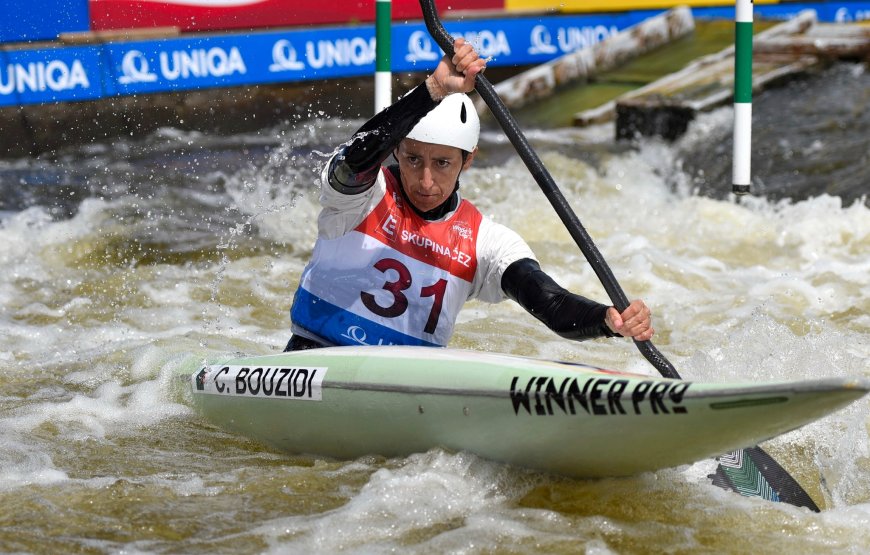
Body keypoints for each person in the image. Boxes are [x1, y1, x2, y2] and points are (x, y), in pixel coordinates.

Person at [285, 38, 654, 351]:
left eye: (443, 163)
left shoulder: (485, 242)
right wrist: (433, 90)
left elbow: (550, 302)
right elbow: (353, 160)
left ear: (468, 161)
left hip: (400, 388)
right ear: (396, 149)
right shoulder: (363, 194)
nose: (425, 181)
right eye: (413, 159)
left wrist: (606, 320)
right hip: (313, 356)